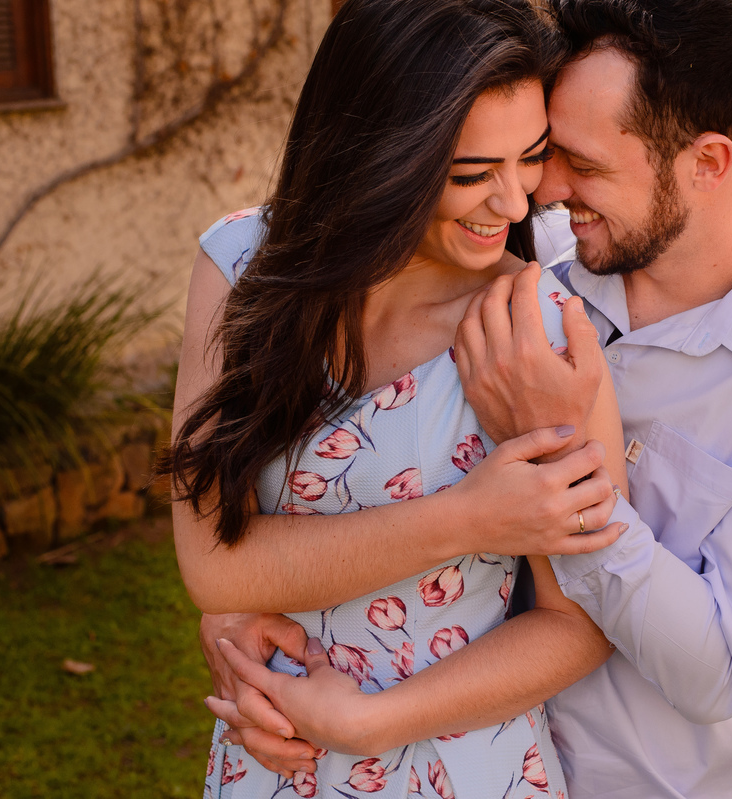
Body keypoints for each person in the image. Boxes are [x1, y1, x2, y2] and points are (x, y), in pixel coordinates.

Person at [208, 1, 732, 797]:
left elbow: (715, 667)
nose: (544, 191)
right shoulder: (539, 264)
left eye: (581, 163)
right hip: (456, 758)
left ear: (708, 161)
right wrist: (238, 615)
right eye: (544, 152)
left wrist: (558, 459)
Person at [165, 1, 635, 796]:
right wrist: (468, 519)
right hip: (270, 755)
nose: (516, 204)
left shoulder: (534, 331)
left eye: (530, 158)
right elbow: (213, 565)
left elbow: (581, 623)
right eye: (471, 174)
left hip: (468, 766)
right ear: (377, 154)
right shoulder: (240, 264)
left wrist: (368, 723)